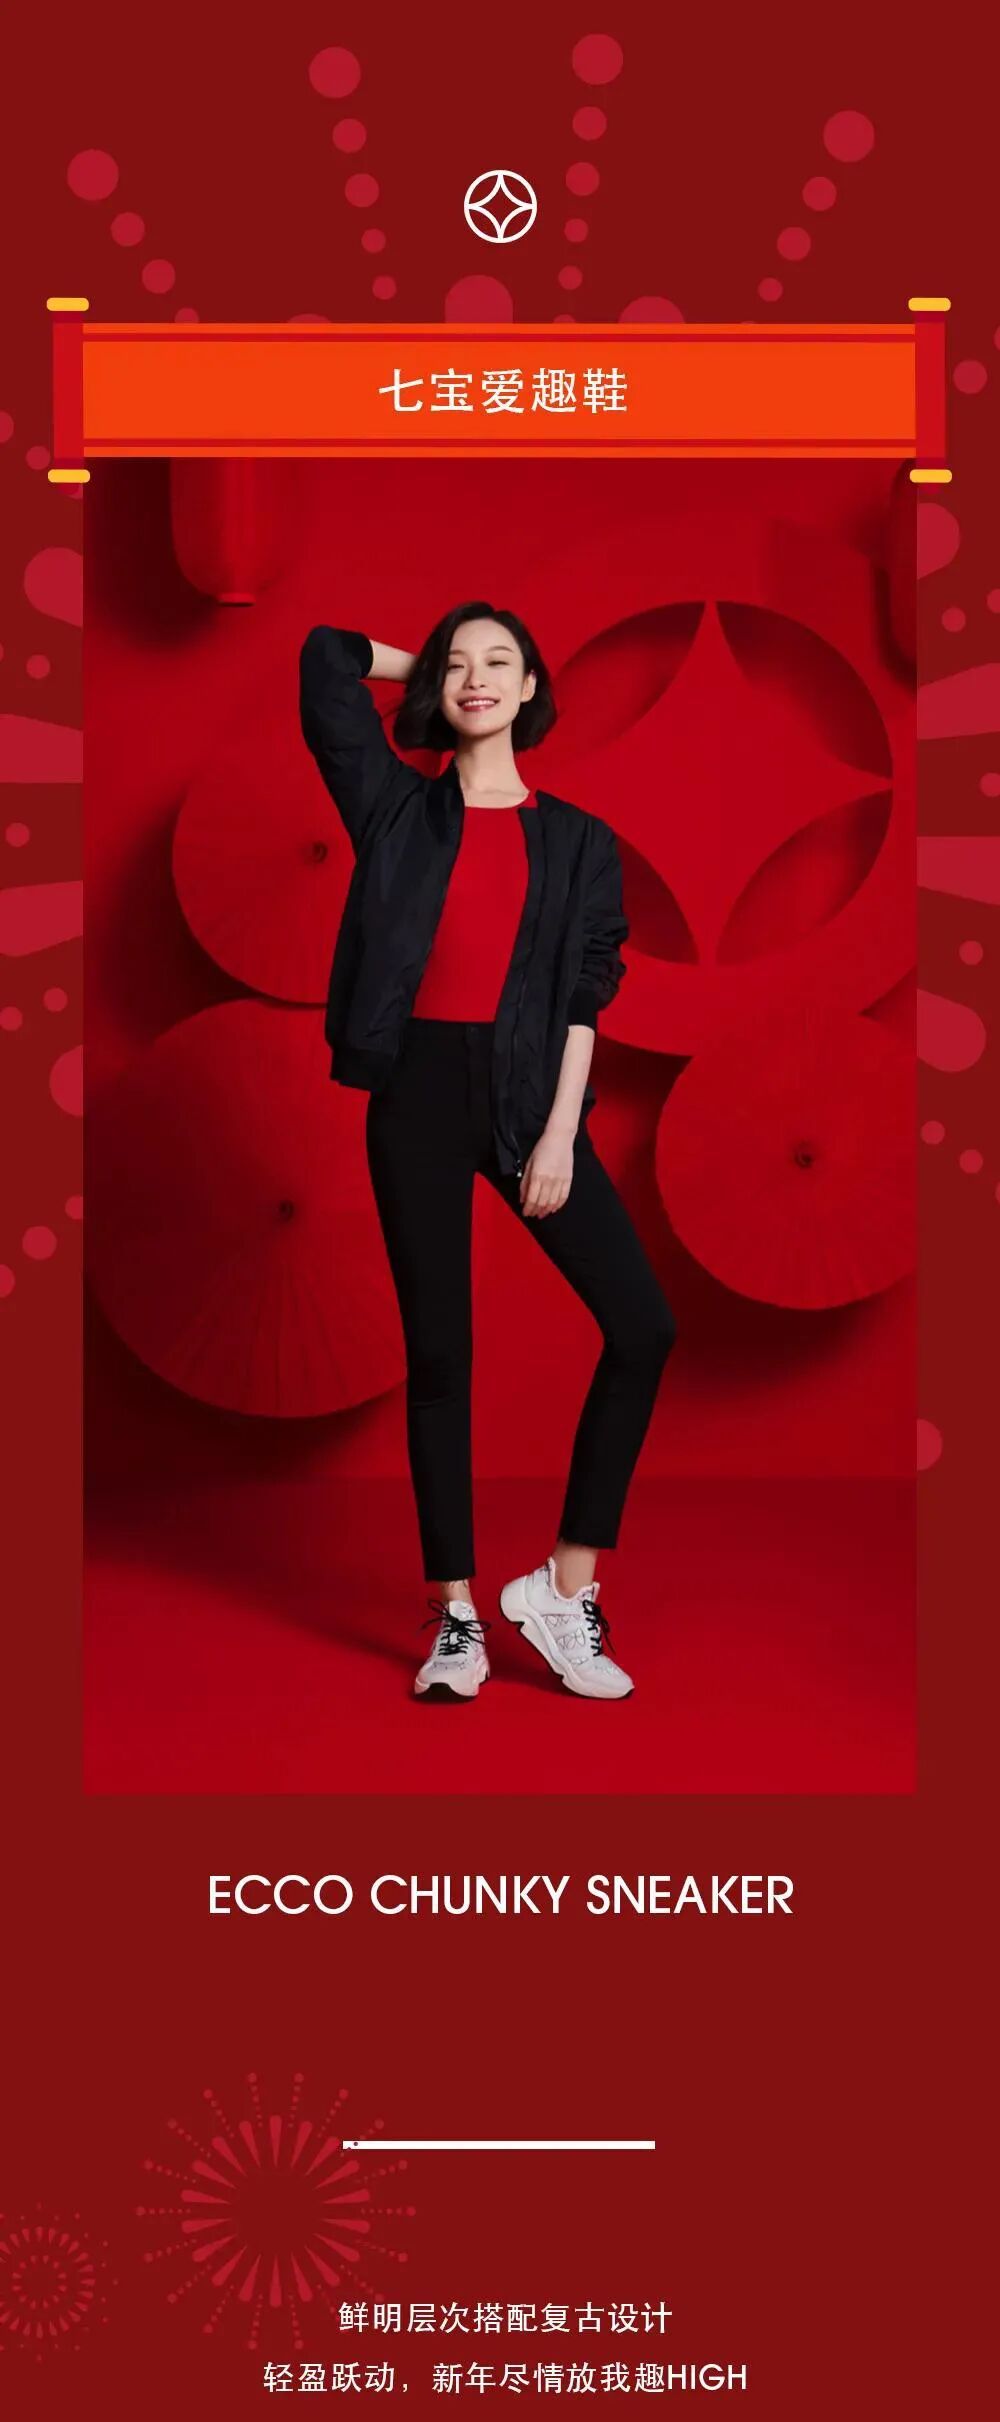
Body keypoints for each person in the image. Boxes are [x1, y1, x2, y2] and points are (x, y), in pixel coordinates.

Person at [299, 603, 676, 1704]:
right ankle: (457, 1616)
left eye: (498, 661)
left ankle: (562, 1588)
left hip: (525, 1098)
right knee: (440, 1356)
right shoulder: (392, 808)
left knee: (643, 1326)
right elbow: (323, 659)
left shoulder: (578, 840)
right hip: (413, 1094)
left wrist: (559, 1130)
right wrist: (425, 666)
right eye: (458, 664)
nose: (475, 678)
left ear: (530, 687)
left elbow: (586, 990)